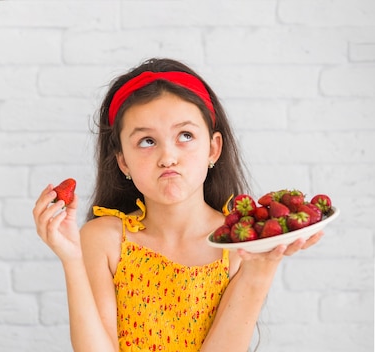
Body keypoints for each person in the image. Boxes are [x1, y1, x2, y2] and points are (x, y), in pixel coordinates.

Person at [32, 58, 323, 352]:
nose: (168, 156)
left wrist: (262, 267)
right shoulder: (103, 240)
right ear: (123, 161)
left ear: (213, 148)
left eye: (185, 136)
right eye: (147, 141)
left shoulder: (238, 244)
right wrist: (72, 260)